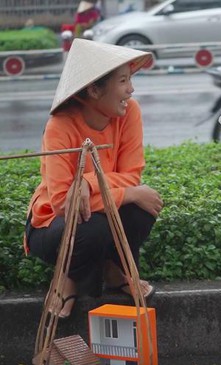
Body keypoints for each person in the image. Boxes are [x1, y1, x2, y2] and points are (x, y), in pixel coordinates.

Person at [24, 39, 163, 319]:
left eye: (130, 79)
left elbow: (131, 175)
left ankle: (113, 270)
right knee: (96, 225)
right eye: (123, 80)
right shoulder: (60, 126)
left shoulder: (129, 113)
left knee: (140, 212)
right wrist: (131, 193)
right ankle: (69, 277)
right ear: (94, 89)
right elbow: (65, 204)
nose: (131, 89)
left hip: (95, 209)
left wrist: (87, 182)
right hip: (52, 224)